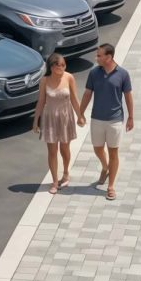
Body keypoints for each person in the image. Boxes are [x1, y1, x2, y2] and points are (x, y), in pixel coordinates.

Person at [76, 42, 135, 200]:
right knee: (97, 148)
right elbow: (88, 94)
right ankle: (105, 167)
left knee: (113, 152)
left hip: (115, 120)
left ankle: (110, 186)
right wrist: (80, 113)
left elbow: (128, 96)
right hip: (97, 118)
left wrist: (131, 117)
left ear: (108, 57)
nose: (96, 58)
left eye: (99, 55)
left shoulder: (123, 74)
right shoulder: (94, 73)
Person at [31, 50, 80, 193]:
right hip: (50, 119)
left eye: (64, 65)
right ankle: (54, 181)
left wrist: (80, 116)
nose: (62, 68)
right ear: (52, 67)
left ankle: (65, 172)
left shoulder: (69, 78)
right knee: (52, 151)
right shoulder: (44, 81)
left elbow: (74, 99)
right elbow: (41, 101)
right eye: (59, 65)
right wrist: (35, 121)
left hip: (65, 117)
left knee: (65, 148)